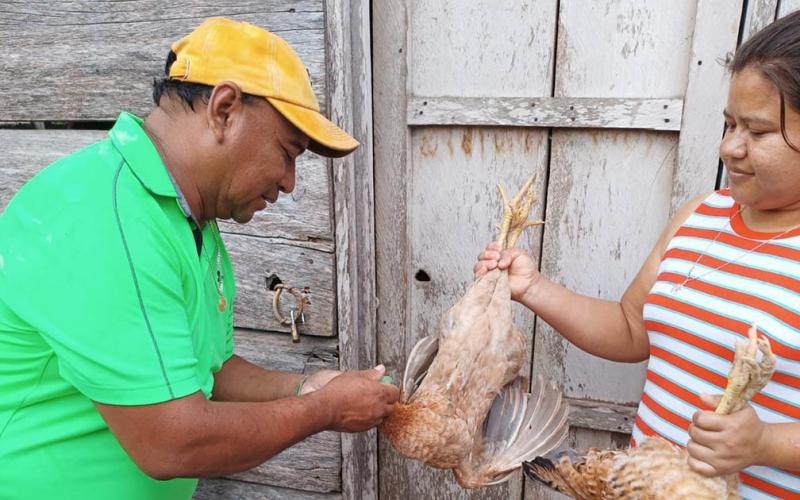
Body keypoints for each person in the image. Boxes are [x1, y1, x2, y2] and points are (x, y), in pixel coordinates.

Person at [0, 17, 398, 500]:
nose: (291, 181)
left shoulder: (188, 220)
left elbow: (209, 370)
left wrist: (307, 386)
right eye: (287, 152)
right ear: (224, 109)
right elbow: (171, 442)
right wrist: (325, 410)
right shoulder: (102, 216)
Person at [476, 11, 800, 499]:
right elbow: (631, 328)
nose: (728, 147)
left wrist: (764, 444)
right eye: (729, 124)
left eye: (756, 132)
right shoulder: (701, 217)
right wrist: (532, 288)